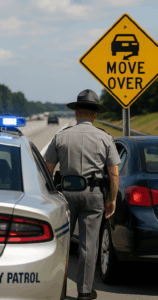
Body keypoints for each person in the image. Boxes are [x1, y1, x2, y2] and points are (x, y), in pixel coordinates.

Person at [44, 89, 121, 300]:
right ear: (95, 114)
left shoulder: (61, 136)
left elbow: (48, 169)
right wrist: (112, 199)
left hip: (65, 196)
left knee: (61, 245)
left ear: (76, 112)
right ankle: (85, 292)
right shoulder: (105, 139)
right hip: (94, 196)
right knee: (89, 245)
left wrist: (49, 198)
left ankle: (57, 289)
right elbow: (114, 174)